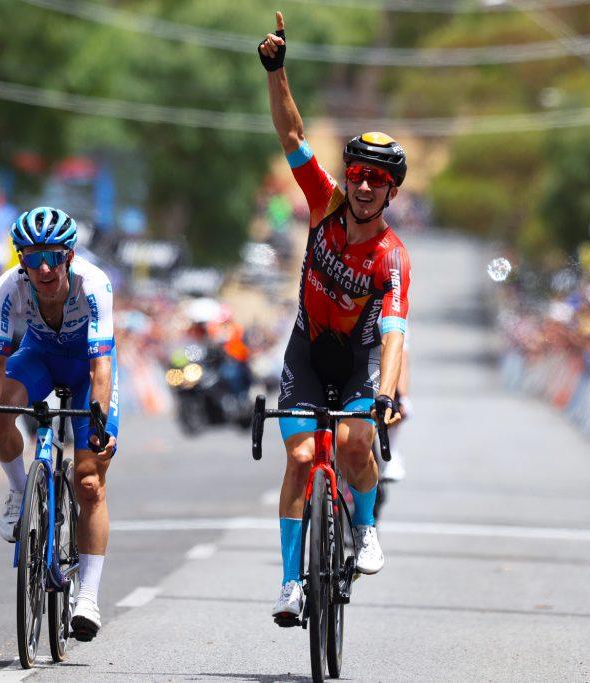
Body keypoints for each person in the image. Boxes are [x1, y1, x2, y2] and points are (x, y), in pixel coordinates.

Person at [259, 12, 412, 623]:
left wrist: (386, 393)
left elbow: (396, 331)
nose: (366, 185)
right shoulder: (323, 203)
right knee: (299, 460)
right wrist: (277, 72)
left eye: (378, 179)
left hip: (359, 357)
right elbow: (291, 134)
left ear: (392, 192)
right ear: (347, 179)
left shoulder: (392, 255)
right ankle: (291, 583)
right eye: (358, 174)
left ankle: (367, 528)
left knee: (353, 444)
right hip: (306, 346)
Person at [0, 207, 119, 641]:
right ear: (20, 260)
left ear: (69, 255)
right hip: (39, 358)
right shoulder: (7, 288)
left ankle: (87, 596)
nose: (44, 268)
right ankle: (18, 489)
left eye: (52, 256)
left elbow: (101, 368)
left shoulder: (95, 284)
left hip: (87, 369)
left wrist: (99, 425)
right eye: (32, 258)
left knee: (89, 482)